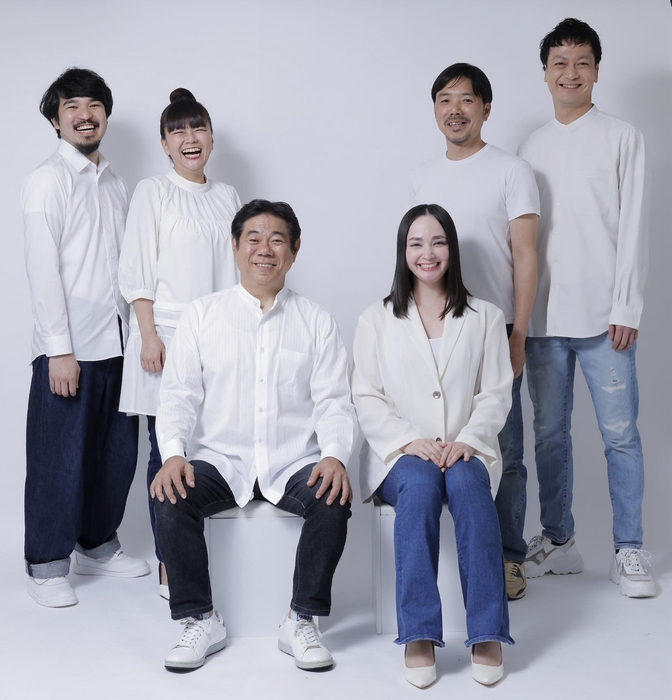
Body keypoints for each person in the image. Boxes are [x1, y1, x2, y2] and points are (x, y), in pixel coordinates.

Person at [151, 199, 357, 672]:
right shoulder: (202, 316)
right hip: (221, 460)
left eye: (277, 240)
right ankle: (199, 619)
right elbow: (178, 395)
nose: (265, 249)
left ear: (295, 250)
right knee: (169, 494)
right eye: (254, 239)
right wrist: (173, 453)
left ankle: (301, 620)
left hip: (292, 460)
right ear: (235, 246)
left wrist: (333, 455)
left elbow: (333, 401)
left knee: (332, 497)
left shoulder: (317, 321)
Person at [518, 18, 654, 597]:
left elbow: (635, 225)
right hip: (543, 318)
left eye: (581, 62)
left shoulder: (622, 137)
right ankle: (560, 541)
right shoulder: (530, 146)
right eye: (560, 63)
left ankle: (629, 549)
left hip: (606, 317)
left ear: (597, 70)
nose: (570, 73)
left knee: (620, 434)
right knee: (549, 435)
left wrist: (628, 305)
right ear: (545, 72)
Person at [352, 204, 513, 688]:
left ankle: (487, 631)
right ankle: (419, 633)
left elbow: (496, 392)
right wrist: (408, 441)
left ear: (452, 249)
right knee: (420, 485)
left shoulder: (486, 317)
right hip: (400, 454)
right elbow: (366, 394)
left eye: (438, 242)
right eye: (416, 243)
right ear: (403, 252)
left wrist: (467, 441)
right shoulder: (376, 319)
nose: (428, 253)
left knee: (468, 486)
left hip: (467, 448)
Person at [411, 63, 539, 600]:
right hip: (438, 329)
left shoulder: (512, 170)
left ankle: (509, 556)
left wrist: (519, 333)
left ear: (486, 108)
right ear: (435, 109)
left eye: (466, 99)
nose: (455, 109)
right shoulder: (424, 175)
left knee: (503, 447)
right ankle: (457, 556)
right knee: (442, 439)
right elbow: (417, 253)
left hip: (496, 327)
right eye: (445, 99)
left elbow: (526, 257)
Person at [22, 68, 149, 608]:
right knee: (59, 457)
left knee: (115, 455)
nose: (84, 114)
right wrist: (59, 349)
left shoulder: (116, 182)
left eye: (94, 105)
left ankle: (96, 544)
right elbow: (42, 268)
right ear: (56, 120)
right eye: (71, 106)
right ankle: (47, 563)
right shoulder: (47, 180)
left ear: (106, 116)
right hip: (69, 348)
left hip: (118, 341)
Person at [118, 88, 240, 600]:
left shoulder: (228, 196)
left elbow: (238, 273)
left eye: (198, 128)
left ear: (211, 138)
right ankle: (171, 561)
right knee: (166, 447)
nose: (190, 139)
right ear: (165, 144)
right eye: (178, 131)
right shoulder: (153, 192)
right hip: (164, 335)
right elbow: (137, 270)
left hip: (216, 335)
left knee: (209, 441)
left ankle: (211, 554)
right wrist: (148, 335)